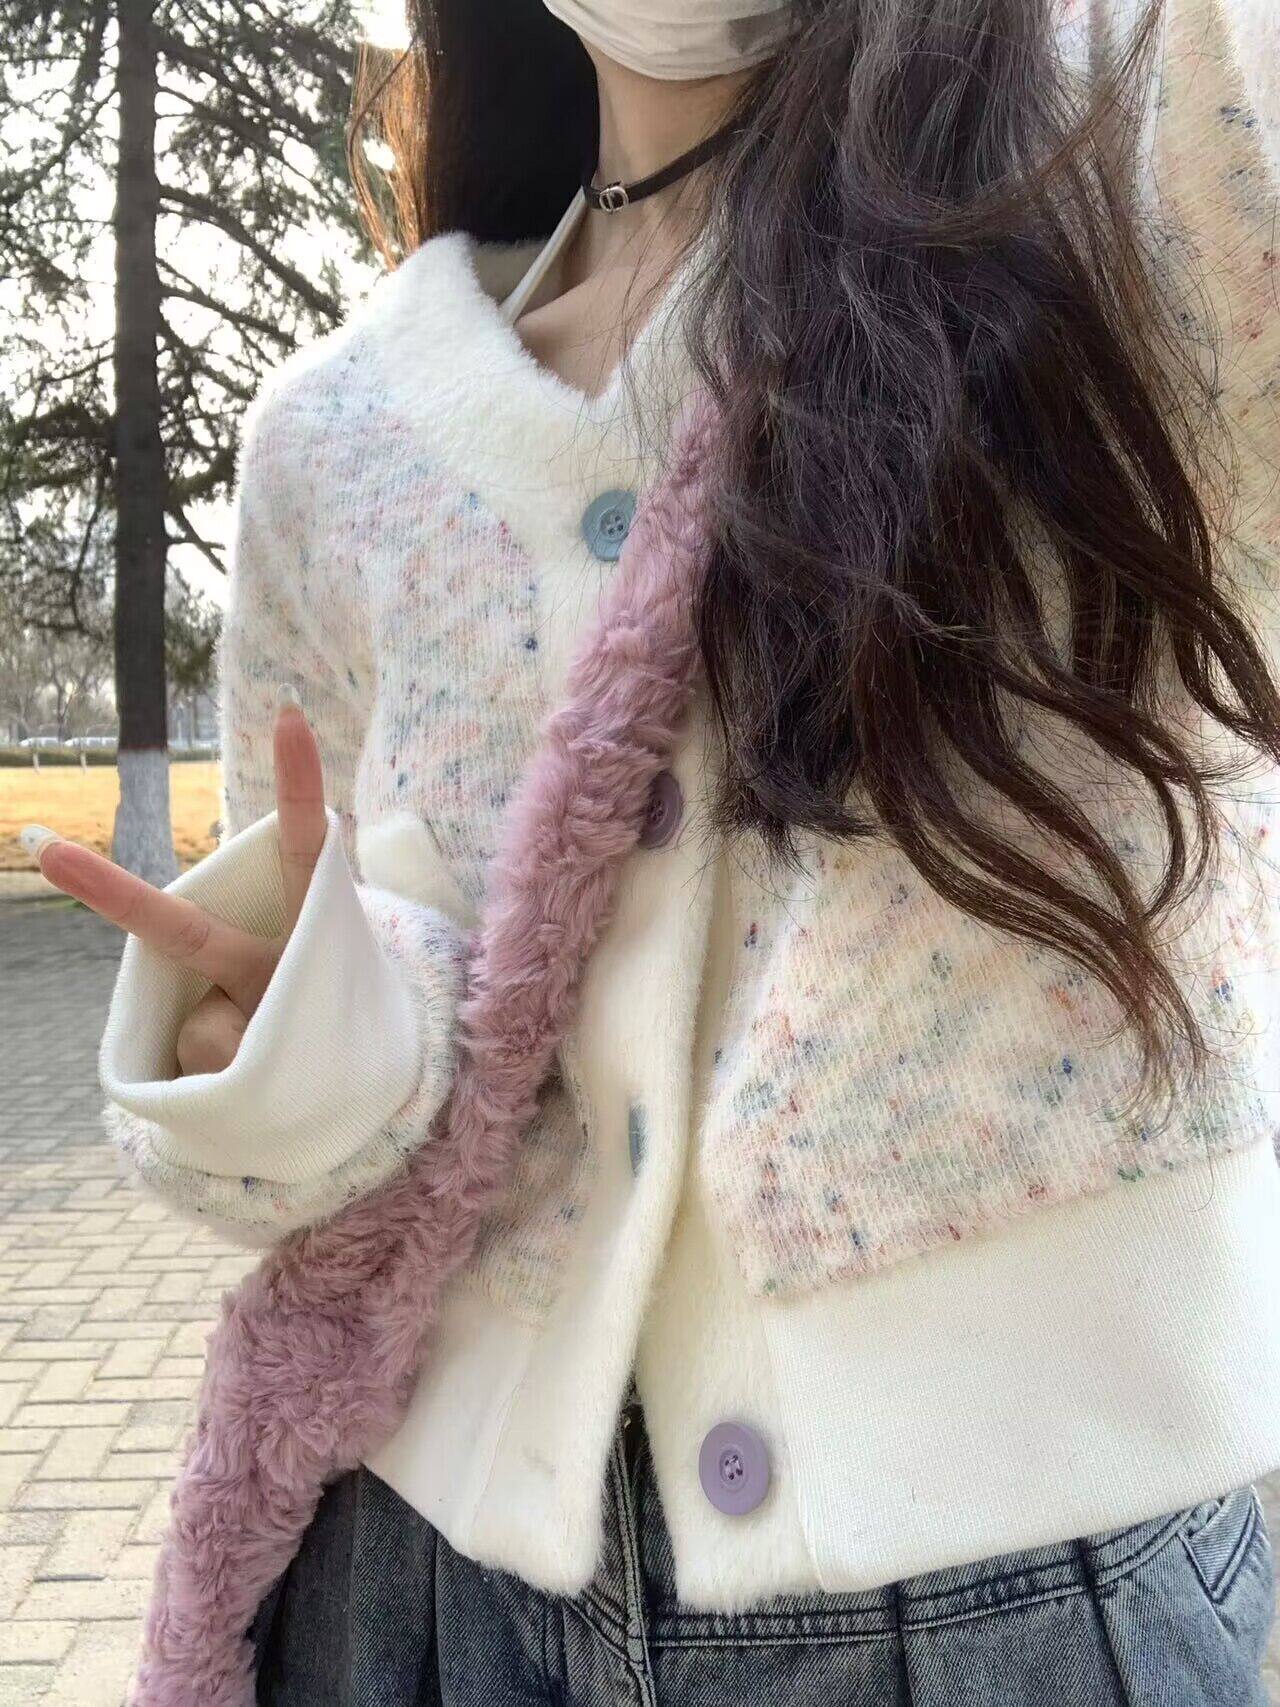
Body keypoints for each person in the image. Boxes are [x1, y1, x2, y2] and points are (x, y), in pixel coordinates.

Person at [22, 0, 1280, 1700]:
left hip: (1014, 1607)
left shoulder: (1130, 165)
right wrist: (304, 1054)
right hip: (408, 1593)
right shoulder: (337, 434)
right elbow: (361, 1010)